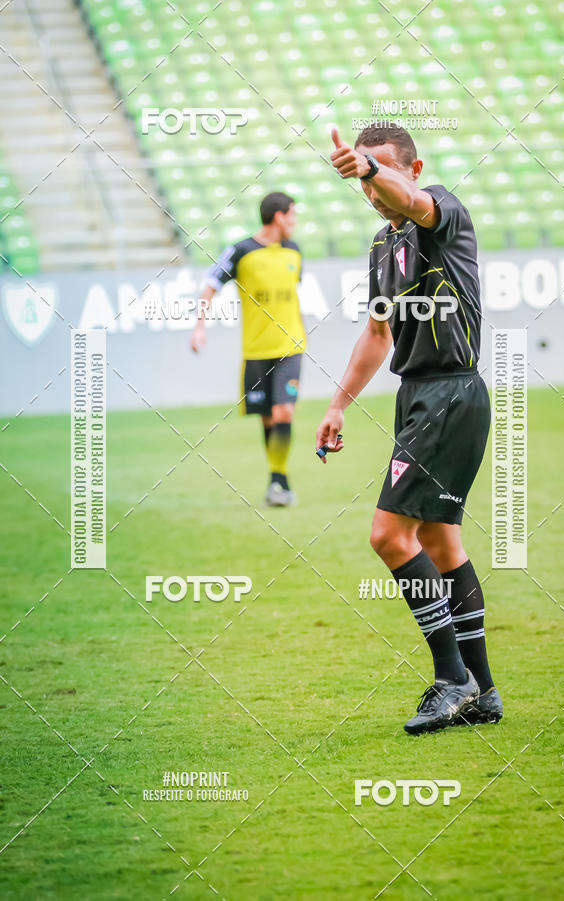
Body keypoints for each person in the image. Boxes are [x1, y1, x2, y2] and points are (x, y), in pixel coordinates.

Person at [316, 124, 502, 734]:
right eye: (365, 179)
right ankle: (485, 693)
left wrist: (368, 168)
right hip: (420, 396)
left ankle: (452, 679)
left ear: (412, 168)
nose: (373, 192)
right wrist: (338, 404)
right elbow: (376, 332)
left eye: (384, 174)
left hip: (450, 392)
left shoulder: (442, 210)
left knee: (389, 536)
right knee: (441, 542)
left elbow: (412, 204)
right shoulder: (380, 247)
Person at [192, 192, 305, 506]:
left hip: (290, 348)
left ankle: (278, 482)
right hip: (256, 352)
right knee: (268, 420)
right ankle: (278, 479)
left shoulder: (295, 252)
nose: (295, 221)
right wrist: (200, 326)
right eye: (293, 214)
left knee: (284, 412)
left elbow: (293, 298)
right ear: (279, 216)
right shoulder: (241, 251)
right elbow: (211, 283)